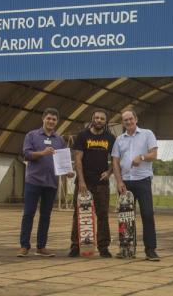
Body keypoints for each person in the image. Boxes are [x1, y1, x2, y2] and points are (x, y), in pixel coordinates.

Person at [17, 108, 73, 257]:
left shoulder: (59, 140)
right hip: (33, 181)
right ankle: (24, 246)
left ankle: (41, 246)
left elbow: (62, 161)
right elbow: (26, 154)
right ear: (43, 119)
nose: (51, 121)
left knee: (45, 215)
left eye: (54, 119)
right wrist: (42, 153)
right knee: (28, 214)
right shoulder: (32, 135)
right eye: (48, 118)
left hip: (51, 183)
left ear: (57, 122)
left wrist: (68, 171)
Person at [111, 109, 160, 261]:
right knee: (125, 218)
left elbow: (154, 155)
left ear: (136, 119)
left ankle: (150, 250)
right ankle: (126, 249)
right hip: (125, 182)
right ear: (123, 123)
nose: (128, 122)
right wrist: (119, 182)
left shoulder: (147, 134)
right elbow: (115, 162)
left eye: (130, 119)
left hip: (143, 180)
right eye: (125, 120)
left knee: (147, 214)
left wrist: (142, 156)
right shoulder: (119, 139)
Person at [68, 109, 116, 258]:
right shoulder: (82, 136)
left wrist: (109, 172)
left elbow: (116, 159)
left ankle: (103, 247)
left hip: (102, 184)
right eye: (97, 117)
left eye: (102, 118)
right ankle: (76, 246)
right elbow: (78, 159)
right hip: (84, 183)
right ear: (92, 119)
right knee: (79, 214)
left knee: (102, 215)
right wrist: (81, 181)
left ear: (105, 121)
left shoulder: (110, 138)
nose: (99, 120)